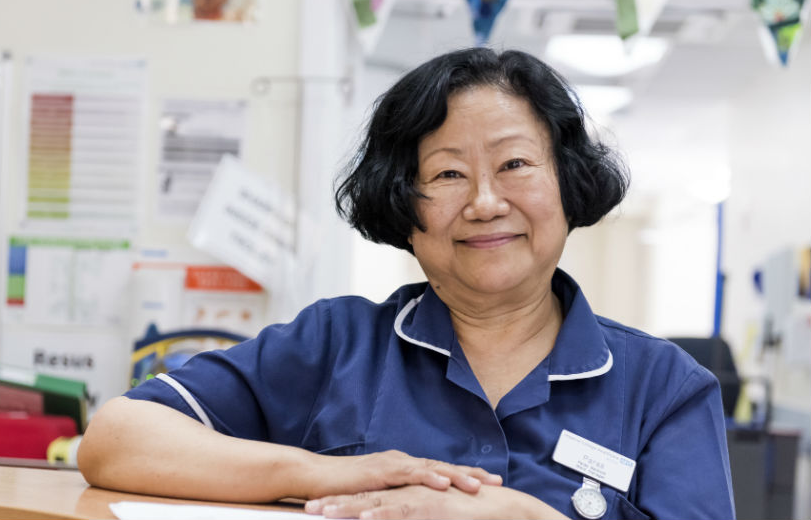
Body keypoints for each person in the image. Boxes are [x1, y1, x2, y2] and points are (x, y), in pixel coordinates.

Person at [78, 48, 735, 520]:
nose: (483, 202)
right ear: (403, 208)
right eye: (448, 174)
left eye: (514, 164)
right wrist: (330, 473)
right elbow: (116, 438)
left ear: (568, 185)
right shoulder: (336, 343)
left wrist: (523, 518)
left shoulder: (665, 389)